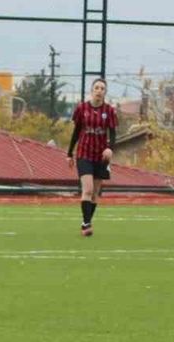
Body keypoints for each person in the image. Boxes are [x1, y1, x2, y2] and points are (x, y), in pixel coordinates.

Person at [67, 77, 117, 237]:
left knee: (95, 193)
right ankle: (86, 224)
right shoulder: (82, 109)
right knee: (87, 189)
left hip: (101, 156)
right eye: (97, 88)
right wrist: (69, 153)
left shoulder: (109, 111)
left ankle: (86, 221)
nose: (99, 91)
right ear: (92, 90)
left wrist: (110, 148)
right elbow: (76, 132)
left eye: (102, 88)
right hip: (84, 153)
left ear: (105, 92)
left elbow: (113, 134)